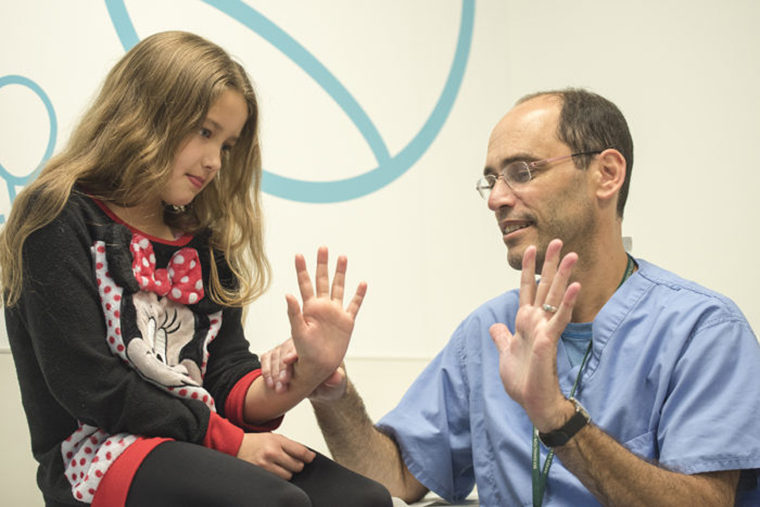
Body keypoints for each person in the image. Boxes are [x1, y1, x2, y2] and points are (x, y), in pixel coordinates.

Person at [261, 88, 760, 505]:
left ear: (606, 174)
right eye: (492, 179)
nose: (497, 198)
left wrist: (558, 420)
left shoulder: (702, 330)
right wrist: (329, 390)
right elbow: (397, 476)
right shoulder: (491, 330)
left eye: (522, 171)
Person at [0, 31, 392, 507]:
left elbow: (224, 373)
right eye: (205, 132)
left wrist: (302, 373)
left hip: (197, 442)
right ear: (145, 114)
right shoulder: (57, 215)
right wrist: (228, 442)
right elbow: (90, 386)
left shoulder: (204, 240)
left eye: (226, 146)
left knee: (364, 499)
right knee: (276, 501)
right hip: (97, 455)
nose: (214, 162)